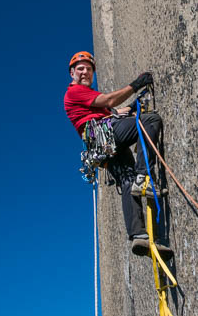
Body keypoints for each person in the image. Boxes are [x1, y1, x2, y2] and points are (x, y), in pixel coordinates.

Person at [64, 51, 173, 259]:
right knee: (150, 121)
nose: (85, 72)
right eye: (80, 69)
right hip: (103, 135)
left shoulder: (90, 102)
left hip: (102, 145)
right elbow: (110, 99)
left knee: (126, 179)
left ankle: (138, 235)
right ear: (72, 73)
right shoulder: (75, 92)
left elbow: (116, 112)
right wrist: (136, 84)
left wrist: (130, 108)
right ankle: (144, 178)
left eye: (88, 69)